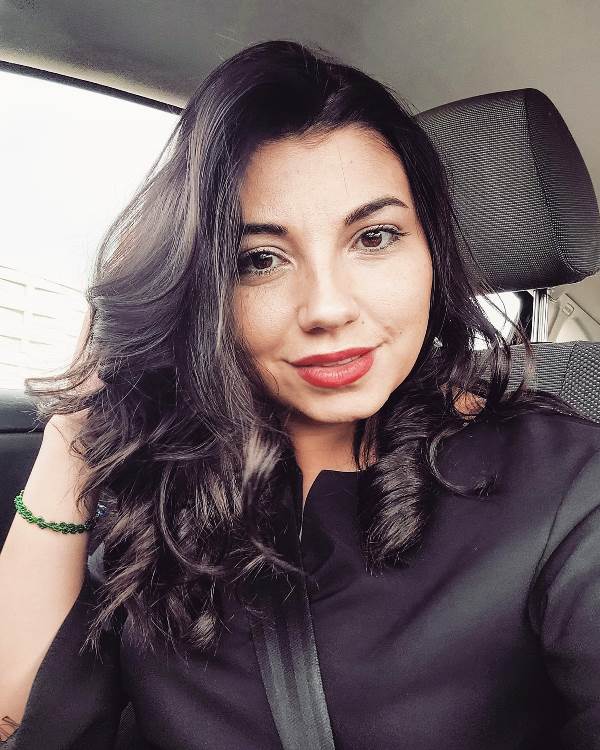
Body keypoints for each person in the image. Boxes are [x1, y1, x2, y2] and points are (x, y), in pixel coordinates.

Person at [1, 39, 599, 749]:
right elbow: (18, 723)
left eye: (374, 237)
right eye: (259, 259)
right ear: (205, 289)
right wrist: (74, 434)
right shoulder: (165, 486)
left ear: (431, 250)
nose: (327, 307)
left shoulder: (566, 485)